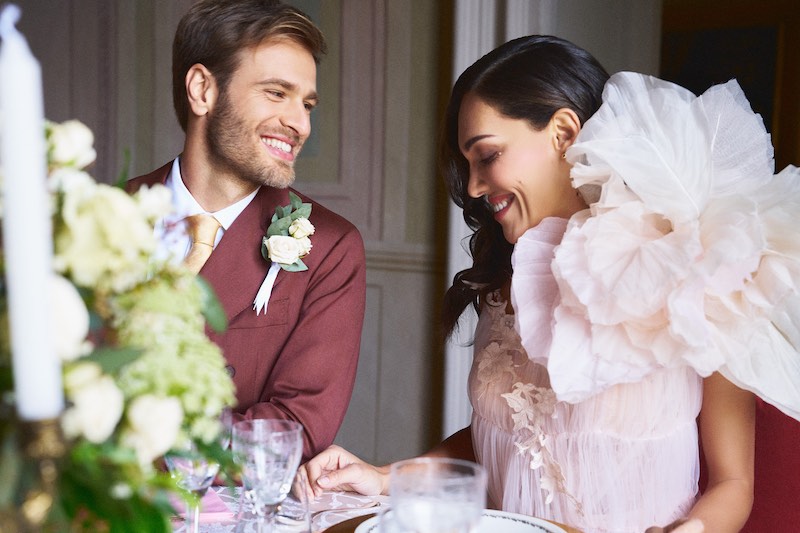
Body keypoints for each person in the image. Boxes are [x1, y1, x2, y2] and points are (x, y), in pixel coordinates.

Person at [299, 35, 800, 532]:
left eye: (487, 155)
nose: (472, 186)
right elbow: (500, 437)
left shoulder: (695, 265)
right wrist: (384, 477)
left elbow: (734, 484)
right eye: (468, 164)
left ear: (563, 131)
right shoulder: (506, 279)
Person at [125, 0, 366, 461]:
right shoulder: (103, 217)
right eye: (277, 93)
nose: (300, 124)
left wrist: (141, 446)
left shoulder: (331, 247)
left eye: (307, 103)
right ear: (202, 90)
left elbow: (297, 424)